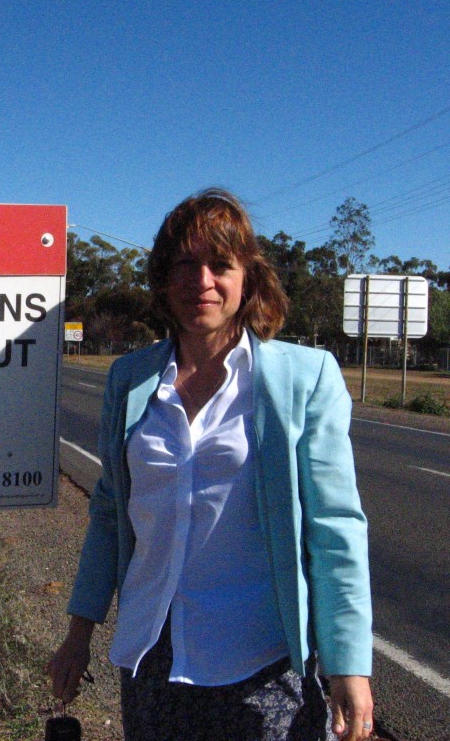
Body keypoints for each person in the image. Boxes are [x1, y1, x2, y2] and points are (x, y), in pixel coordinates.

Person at [47, 189, 374, 740]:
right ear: (162, 279)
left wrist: (349, 662)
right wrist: (79, 634)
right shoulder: (130, 378)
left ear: (247, 276)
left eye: (220, 264)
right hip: (152, 659)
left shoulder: (305, 378)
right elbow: (109, 513)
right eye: (184, 265)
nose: (202, 281)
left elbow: (334, 526)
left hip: (264, 667)